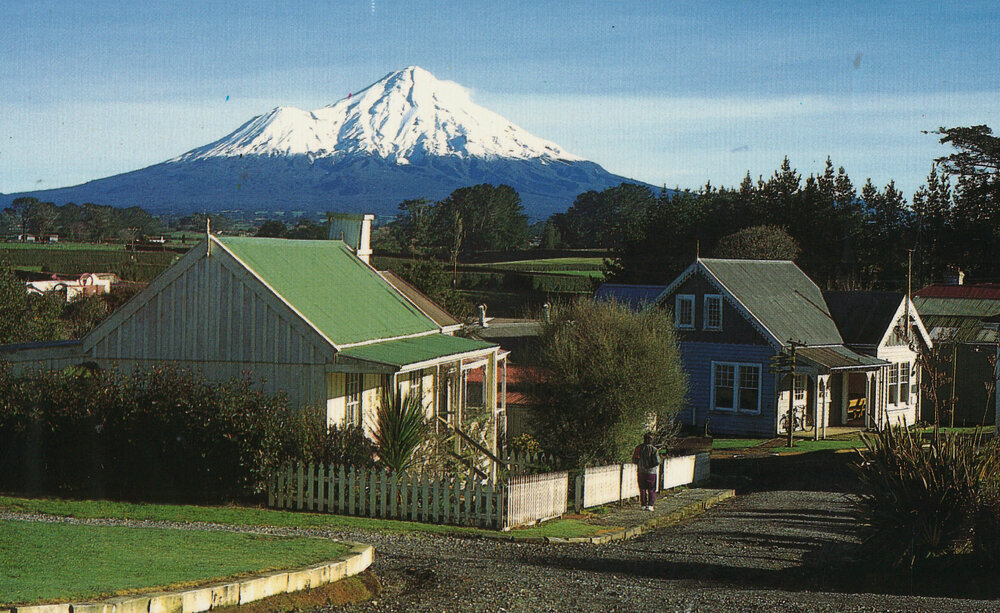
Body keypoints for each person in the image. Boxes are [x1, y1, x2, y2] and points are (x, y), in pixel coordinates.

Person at [632, 432, 659, 511]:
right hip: (651, 472)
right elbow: (657, 461)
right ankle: (650, 505)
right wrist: (650, 465)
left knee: (642, 488)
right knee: (651, 489)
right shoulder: (654, 449)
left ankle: (643, 504)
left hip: (641, 471)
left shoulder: (638, 448)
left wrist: (640, 464)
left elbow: (635, 459)